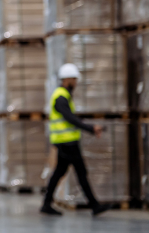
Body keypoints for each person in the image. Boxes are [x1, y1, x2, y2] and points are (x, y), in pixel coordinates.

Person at [41, 63, 112, 217]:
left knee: (60, 172)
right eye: (74, 79)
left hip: (66, 142)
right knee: (80, 172)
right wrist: (91, 128)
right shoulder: (60, 96)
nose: (76, 83)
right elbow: (70, 119)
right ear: (67, 79)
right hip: (67, 143)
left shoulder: (64, 95)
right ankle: (94, 205)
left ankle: (46, 204)